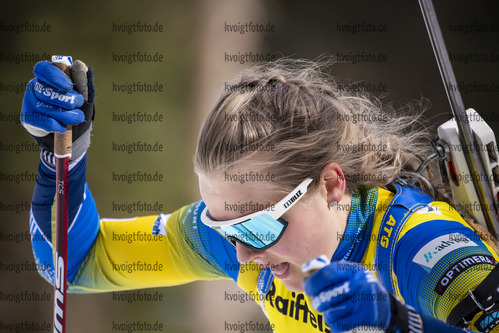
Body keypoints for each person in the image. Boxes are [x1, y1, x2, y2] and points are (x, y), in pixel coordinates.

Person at [21, 57, 499, 333]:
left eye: (257, 225)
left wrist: (399, 324)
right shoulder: (244, 244)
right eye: (221, 227)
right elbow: (74, 265)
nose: (243, 254)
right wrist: (61, 161)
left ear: (331, 185)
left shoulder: (420, 247)